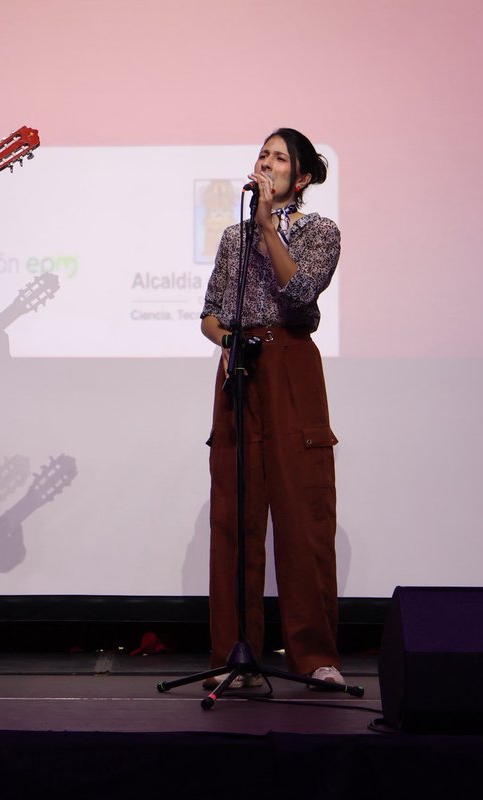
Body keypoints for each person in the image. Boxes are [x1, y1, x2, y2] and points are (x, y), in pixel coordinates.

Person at [199, 128, 343, 688]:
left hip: (290, 367)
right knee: (234, 516)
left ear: (301, 178)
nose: (266, 163)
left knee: (303, 515)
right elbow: (211, 312)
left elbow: (301, 292)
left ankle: (315, 656)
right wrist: (226, 339)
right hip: (241, 368)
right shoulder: (233, 237)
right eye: (263, 154)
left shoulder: (320, 232)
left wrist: (266, 227)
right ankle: (236, 658)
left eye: (279, 158)